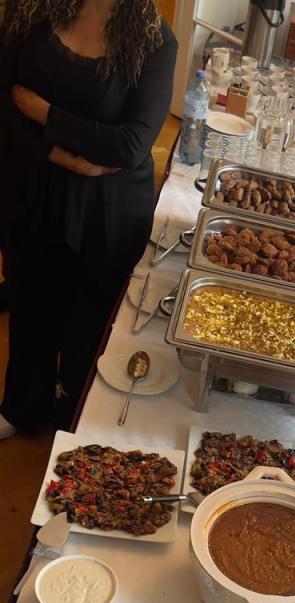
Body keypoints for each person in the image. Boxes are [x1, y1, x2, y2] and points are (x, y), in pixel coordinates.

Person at [0, 0, 177, 439]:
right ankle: (23, 407)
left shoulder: (155, 39)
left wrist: (44, 114)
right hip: (32, 185)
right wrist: (53, 150)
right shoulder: (31, 10)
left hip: (107, 208)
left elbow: (130, 145)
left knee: (90, 324)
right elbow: (3, 98)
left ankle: (73, 420)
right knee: (29, 305)